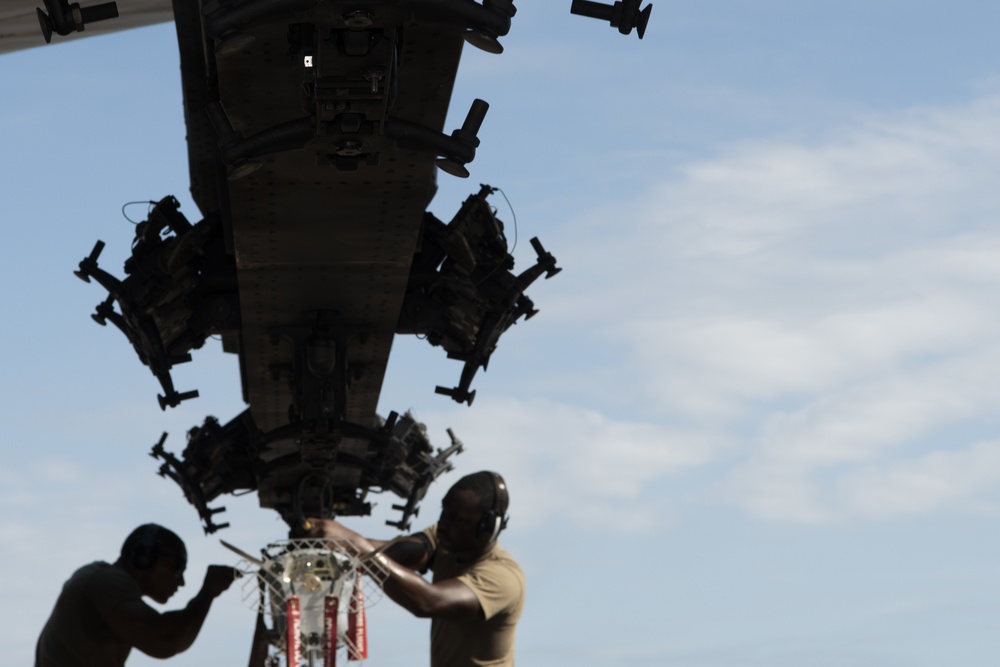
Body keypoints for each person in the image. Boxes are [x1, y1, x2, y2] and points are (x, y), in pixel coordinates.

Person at [309, 470, 525, 667]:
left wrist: (358, 547)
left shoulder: (502, 576)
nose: (443, 523)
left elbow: (428, 601)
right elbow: (399, 551)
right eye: (444, 512)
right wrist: (340, 544)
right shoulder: (446, 540)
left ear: (486, 527)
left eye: (456, 518)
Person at [35, 523, 238, 667]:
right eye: (177, 567)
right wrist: (208, 592)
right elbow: (164, 640)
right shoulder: (107, 580)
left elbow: (174, 642)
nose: (181, 581)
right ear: (145, 556)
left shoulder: (99, 578)